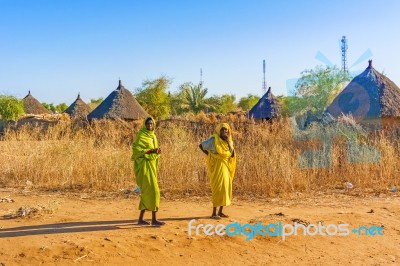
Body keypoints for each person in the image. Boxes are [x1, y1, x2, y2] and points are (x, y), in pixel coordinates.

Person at [131, 117, 165, 226]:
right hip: (144, 167)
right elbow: (137, 151)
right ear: (145, 125)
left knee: (148, 193)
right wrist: (151, 150)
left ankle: (141, 219)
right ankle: (153, 220)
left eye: (151, 124)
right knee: (154, 192)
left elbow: (154, 152)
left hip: (152, 167)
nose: (150, 125)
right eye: (148, 124)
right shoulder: (141, 135)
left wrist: (157, 152)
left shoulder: (153, 136)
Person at [199, 123, 236, 219]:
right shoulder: (213, 140)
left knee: (225, 188)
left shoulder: (229, 141)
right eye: (222, 130)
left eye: (226, 130)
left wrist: (228, 142)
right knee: (217, 189)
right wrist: (210, 155)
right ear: (219, 131)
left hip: (225, 167)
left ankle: (220, 212)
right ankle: (214, 213)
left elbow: (232, 154)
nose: (224, 132)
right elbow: (201, 146)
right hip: (216, 167)